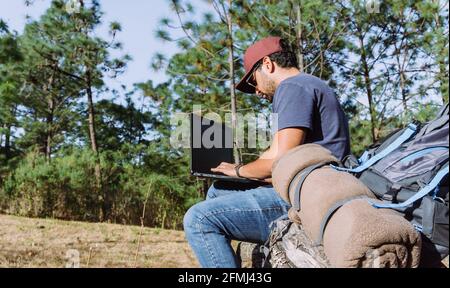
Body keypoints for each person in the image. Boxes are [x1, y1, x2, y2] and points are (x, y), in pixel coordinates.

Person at [183, 36, 351, 268]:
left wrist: (240, 170)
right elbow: (273, 155)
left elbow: (280, 164)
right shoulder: (308, 84)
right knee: (218, 190)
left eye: (253, 81)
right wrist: (231, 173)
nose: (257, 92)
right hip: (310, 188)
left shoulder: (292, 88)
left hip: (307, 199)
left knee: (198, 219)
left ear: (268, 65)